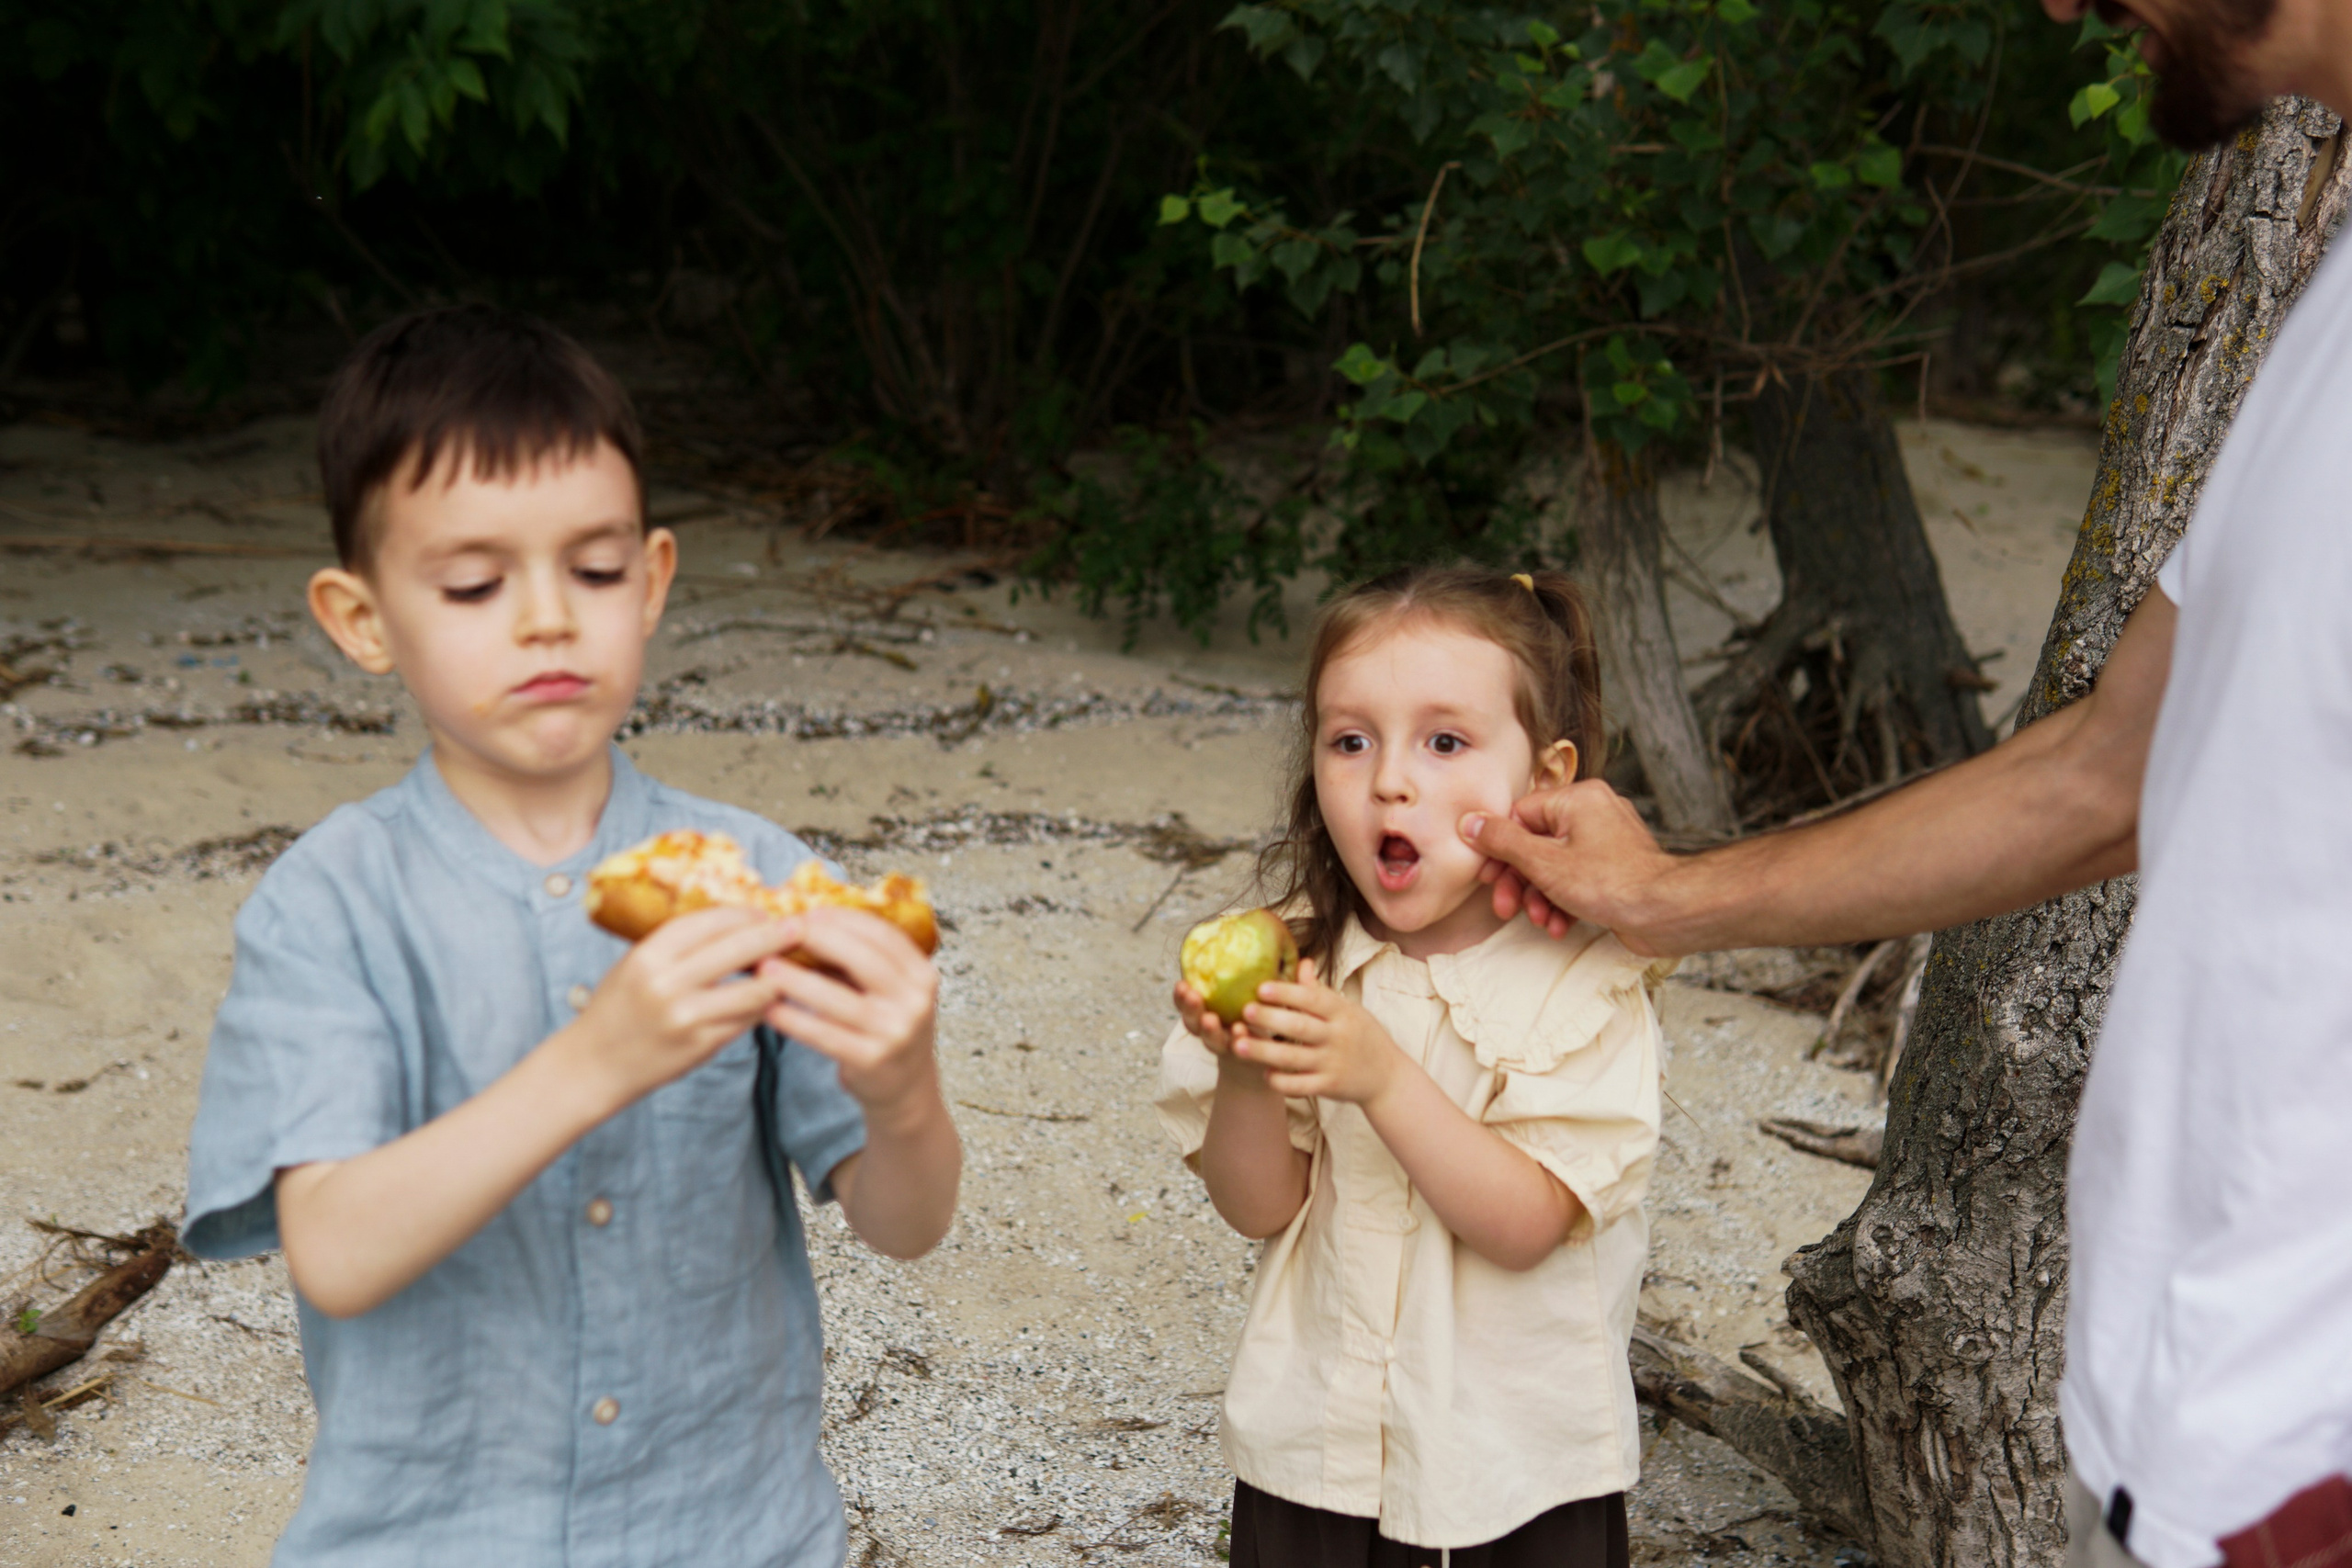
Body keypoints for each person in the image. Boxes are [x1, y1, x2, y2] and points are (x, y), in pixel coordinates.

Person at [1457, 0, 2352, 1560]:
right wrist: (1667, 897)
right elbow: (2100, 770)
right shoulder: (2326, 317)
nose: (2067, 8)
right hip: (2172, 1432)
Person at [181, 305, 962, 1566]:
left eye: (593, 571)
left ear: (651, 582)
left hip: (736, 1535)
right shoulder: (327, 902)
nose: (547, 617)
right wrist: (594, 1059)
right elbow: (331, 1247)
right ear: (361, 616)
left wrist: (904, 1089)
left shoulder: (765, 877)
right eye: (476, 582)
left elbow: (905, 1218)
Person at [1155, 568, 1669, 1568]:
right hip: (1317, 1453)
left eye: (1445, 742)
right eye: (1351, 741)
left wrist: (1381, 1078)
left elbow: (1526, 1225)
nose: (1390, 779)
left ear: (1545, 780)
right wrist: (1251, 1067)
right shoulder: (1304, 958)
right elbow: (1257, 1207)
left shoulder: (1586, 988)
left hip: (1515, 1477)